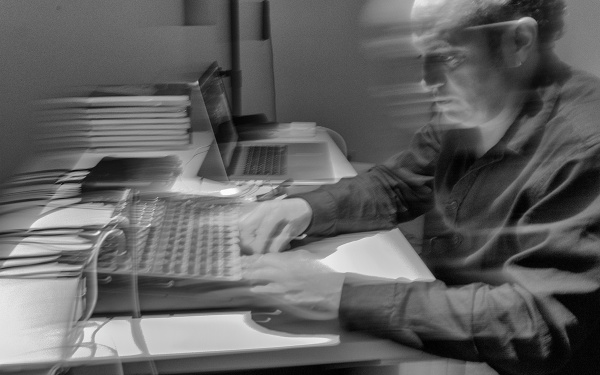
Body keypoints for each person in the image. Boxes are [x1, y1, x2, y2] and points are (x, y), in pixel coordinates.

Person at [239, 0, 600, 374]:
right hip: (463, 343)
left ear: (519, 42)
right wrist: (304, 209)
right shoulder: (473, 109)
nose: (427, 82)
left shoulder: (586, 147)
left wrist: (337, 293)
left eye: (448, 58)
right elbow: (396, 184)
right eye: (421, 59)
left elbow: (535, 324)